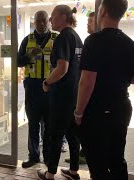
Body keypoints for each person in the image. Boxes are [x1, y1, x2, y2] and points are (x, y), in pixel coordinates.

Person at [74, 0, 134, 179]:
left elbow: (87, 82)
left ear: (103, 11)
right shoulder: (132, 44)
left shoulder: (93, 42)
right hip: (121, 107)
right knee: (116, 158)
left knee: (97, 162)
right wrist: (118, 79)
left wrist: (78, 112)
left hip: (96, 110)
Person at [37, 5, 83, 180]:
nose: (50, 20)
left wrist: (47, 82)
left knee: (55, 134)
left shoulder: (63, 37)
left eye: (53, 16)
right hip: (74, 95)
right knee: (72, 134)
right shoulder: (77, 38)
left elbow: (62, 68)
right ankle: (73, 171)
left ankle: (50, 174)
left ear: (64, 16)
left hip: (62, 95)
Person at [17, 10, 57, 168]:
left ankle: (48, 157)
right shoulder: (27, 40)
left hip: (50, 86)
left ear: (49, 21)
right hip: (32, 87)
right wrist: (29, 56)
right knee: (33, 123)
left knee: (48, 125)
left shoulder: (57, 38)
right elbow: (18, 62)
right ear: (34, 22)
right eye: (38, 21)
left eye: (44, 21)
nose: (41, 24)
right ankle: (33, 156)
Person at [64, 11, 96, 165]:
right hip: (112, 102)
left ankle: (84, 157)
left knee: (80, 131)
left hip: (88, 97)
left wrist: (79, 110)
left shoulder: (91, 42)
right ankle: (81, 158)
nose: (87, 24)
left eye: (90, 21)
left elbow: (86, 77)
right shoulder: (81, 40)